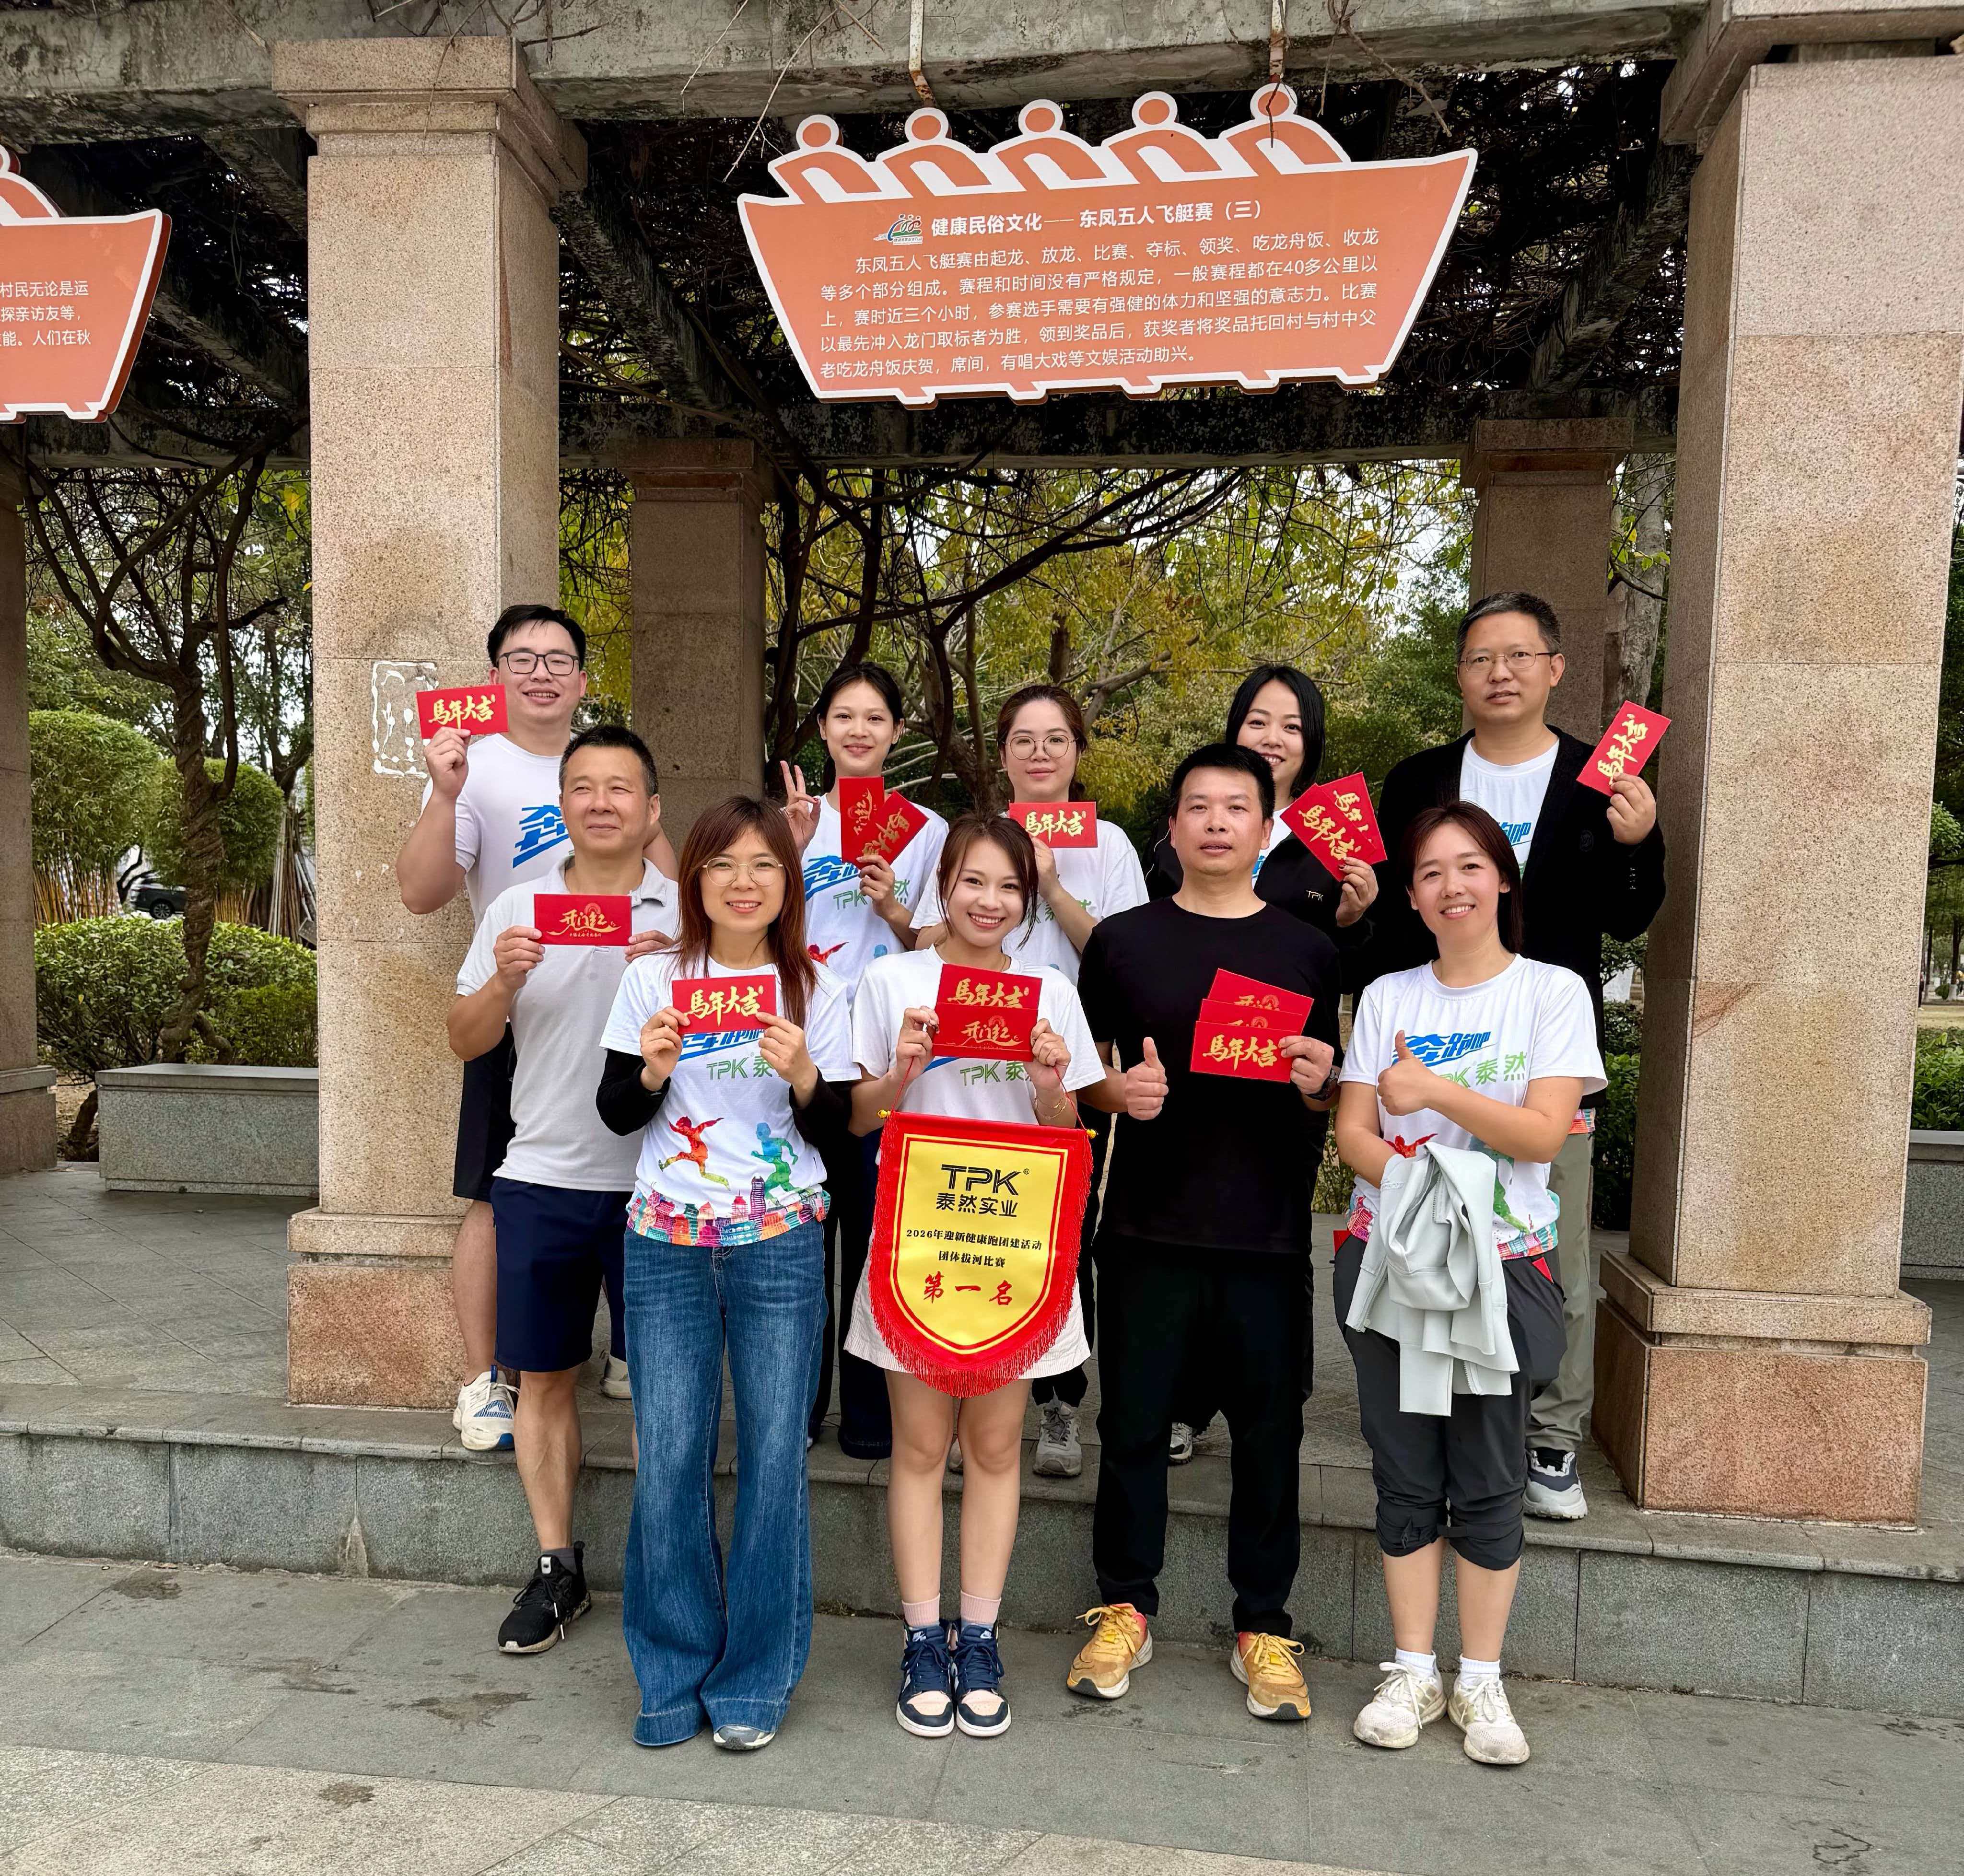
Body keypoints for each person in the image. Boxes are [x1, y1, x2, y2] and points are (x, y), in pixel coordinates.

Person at [1368, 592, 1664, 1521]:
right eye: (1479, 658)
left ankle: (1551, 1434)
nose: (1499, 673)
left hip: (1545, 1054)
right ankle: (1441, 1408)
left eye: (1518, 655)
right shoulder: (1417, 780)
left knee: (1553, 1252)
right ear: (1459, 675)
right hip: (1436, 1048)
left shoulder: (1598, 778)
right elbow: (1390, 922)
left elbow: (1629, 914)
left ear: (1554, 668)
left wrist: (1637, 841)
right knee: (1429, 1229)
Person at [1068, 744, 1342, 1725]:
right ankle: (1124, 1606)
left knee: (1271, 1438)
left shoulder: (1307, 948)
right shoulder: (1122, 942)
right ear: (1172, 828)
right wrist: (1117, 1093)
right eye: (1198, 806)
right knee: (1132, 1427)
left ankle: (1262, 1624)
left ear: (1266, 828)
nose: (1217, 821)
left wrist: (1320, 1083)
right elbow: (1081, 1080)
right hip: (1146, 1228)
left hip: (1267, 1236)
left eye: (1236, 807)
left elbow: (1329, 1092)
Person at [1334, 801, 1604, 1764]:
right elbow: (1352, 1131)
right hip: (1393, 1261)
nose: (1451, 886)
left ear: (1502, 878)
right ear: (1410, 897)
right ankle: (1412, 1667)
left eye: (1469, 866)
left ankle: (1479, 1678)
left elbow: (1542, 1134)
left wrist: (1437, 1094)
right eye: (1430, 872)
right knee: (1405, 1469)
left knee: (1488, 1474)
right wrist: (1426, 1191)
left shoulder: (1550, 992)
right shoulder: (1386, 997)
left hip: (1501, 1268)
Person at [597, 797, 856, 1752]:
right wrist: (652, 1071)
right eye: (722, 864)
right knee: (669, 1456)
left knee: (774, 1457)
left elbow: (841, 1135)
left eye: (764, 865)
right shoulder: (653, 977)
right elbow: (615, 1109)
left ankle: (754, 1675)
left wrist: (805, 1079)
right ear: (694, 877)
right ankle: (670, 1672)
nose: (743, 882)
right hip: (665, 1239)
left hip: (779, 1240)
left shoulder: (814, 986)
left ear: (788, 882)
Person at [847, 814, 1109, 1739]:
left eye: (1008, 887)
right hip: (918, 1231)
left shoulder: (1051, 991)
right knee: (920, 1448)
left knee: (997, 1448)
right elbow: (858, 1117)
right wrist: (900, 1070)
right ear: (942, 886)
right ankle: (924, 1638)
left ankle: (981, 1636)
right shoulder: (892, 981)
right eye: (972, 881)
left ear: (1027, 901)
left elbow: (1067, 1126)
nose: (989, 902)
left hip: (1014, 1239)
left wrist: (1049, 1082)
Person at [397, 603, 677, 1449]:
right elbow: (420, 892)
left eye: (559, 658)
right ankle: (487, 1377)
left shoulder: (610, 764)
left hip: (624, 1010)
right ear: (495, 677)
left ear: (583, 680)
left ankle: (627, 1349)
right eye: (522, 658)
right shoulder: (470, 764)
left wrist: (669, 941)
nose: (542, 672)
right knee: (497, 1192)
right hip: (519, 1001)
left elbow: (669, 887)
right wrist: (445, 792)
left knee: (640, 1171)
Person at [447, 726, 677, 1655]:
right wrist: (503, 980)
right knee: (541, 1378)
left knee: (665, 1383)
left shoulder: (689, 913)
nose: (601, 802)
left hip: (663, 1183)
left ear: (652, 809)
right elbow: (464, 1038)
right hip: (541, 1174)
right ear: (563, 806)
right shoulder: (518, 906)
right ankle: (556, 1566)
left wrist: (672, 973)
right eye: (583, 786)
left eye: (621, 787)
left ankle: (668, 1569)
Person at [912, 685, 1147, 1479]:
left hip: (1068, 1066)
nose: (1040, 753)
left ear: (1078, 751)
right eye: (1024, 739)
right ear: (1003, 752)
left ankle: (1059, 1400)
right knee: (962, 1228)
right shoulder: (975, 837)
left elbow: (1122, 956)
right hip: (965, 1065)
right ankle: (960, 1387)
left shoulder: (1108, 843)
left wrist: (1050, 885)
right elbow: (929, 936)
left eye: (1056, 739)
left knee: (1061, 1235)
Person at [1148, 664, 1378, 1464]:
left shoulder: (1335, 844)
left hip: (1284, 1077)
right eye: (1257, 720)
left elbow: (1355, 968)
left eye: (1291, 725)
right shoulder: (1188, 831)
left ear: (1312, 742)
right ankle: (1183, 1403)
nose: (1273, 738)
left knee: (1276, 1237)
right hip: (1189, 1072)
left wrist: (1356, 919)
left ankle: (1275, 1400)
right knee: (1186, 1238)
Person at [781, 662, 949, 1460]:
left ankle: (872, 1417)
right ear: (822, 728)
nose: (858, 730)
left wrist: (892, 906)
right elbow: (748, 924)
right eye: (843, 716)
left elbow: (940, 939)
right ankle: (798, 1408)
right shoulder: (790, 822)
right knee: (802, 1238)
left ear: (896, 731)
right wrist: (791, 850)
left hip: (886, 1056)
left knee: (879, 1236)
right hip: (804, 1054)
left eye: (875, 717)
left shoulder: (927, 830)